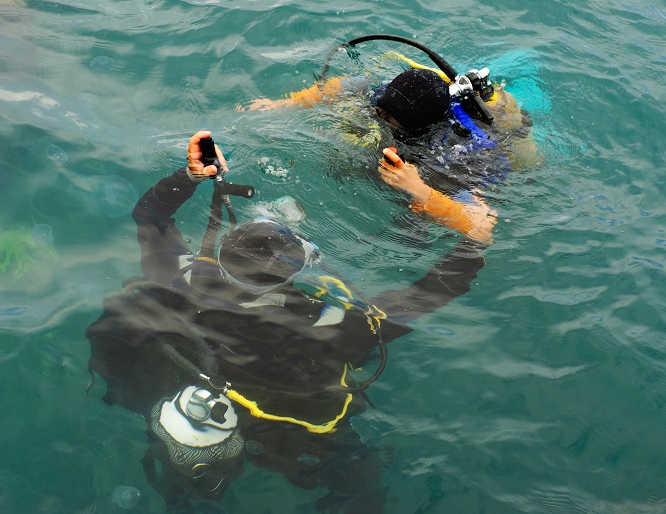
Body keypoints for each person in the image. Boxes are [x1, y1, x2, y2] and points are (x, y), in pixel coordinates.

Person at [86, 130, 491, 513]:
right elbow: (427, 294)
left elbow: (150, 215)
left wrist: (189, 176)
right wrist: (476, 242)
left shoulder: (178, 275)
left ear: (222, 252)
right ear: (294, 273)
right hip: (286, 434)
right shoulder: (337, 326)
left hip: (186, 381)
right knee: (354, 472)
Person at [240, 50, 542, 241]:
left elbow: (481, 228)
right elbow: (345, 85)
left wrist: (419, 189)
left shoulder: (458, 154)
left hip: (497, 136)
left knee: (527, 147)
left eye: (391, 120)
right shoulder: (384, 95)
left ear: (418, 128)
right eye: (379, 112)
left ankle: (530, 67)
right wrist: (285, 103)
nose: (380, 120)